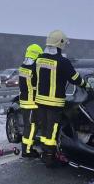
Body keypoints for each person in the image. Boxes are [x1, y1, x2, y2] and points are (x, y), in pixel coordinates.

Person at [34, 29, 88, 166]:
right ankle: (50, 158)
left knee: (45, 128)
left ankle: (45, 153)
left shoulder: (39, 59)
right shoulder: (63, 62)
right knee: (52, 132)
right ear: (60, 43)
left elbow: (35, 78)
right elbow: (75, 78)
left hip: (40, 101)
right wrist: (86, 85)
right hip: (54, 103)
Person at [18, 43, 43, 157]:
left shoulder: (23, 66)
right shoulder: (35, 68)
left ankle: (26, 148)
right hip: (32, 102)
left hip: (24, 101)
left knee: (28, 126)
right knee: (32, 126)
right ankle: (27, 150)